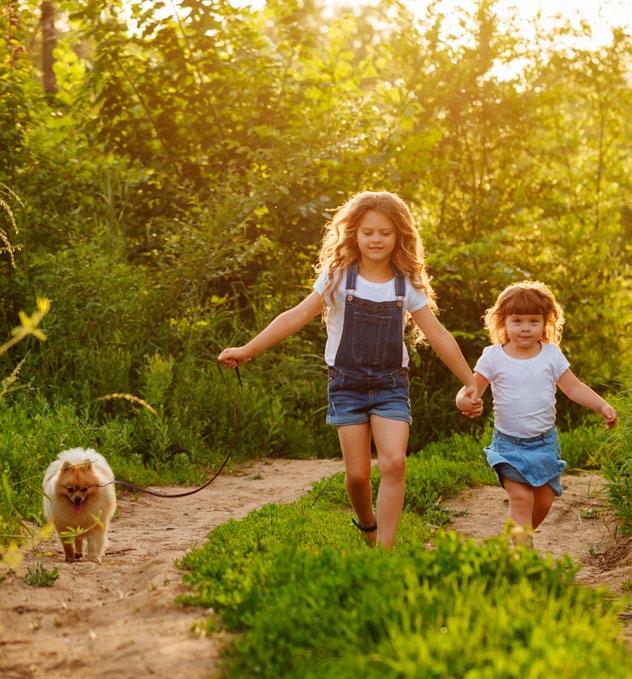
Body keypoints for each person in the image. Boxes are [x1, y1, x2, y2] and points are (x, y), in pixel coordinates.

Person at [219, 191, 479, 548]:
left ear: (399, 236)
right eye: (368, 232)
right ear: (354, 233)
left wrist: (470, 383)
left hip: (390, 385)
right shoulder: (340, 276)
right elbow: (296, 315)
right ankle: (368, 526)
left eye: (385, 233)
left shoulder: (406, 284)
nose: (376, 239)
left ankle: (385, 552)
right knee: (357, 477)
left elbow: (439, 336)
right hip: (347, 384)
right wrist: (248, 350)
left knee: (394, 463)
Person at [456, 280, 617, 546]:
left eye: (533, 321)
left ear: (545, 324)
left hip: (544, 444)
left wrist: (602, 405)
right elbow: (469, 390)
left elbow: (574, 387)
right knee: (521, 499)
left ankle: (518, 538)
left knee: (543, 502)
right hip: (508, 445)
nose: (526, 328)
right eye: (517, 321)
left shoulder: (551, 356)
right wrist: (465, 402)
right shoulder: (494, 357)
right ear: (503, 323)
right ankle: (523, 562)